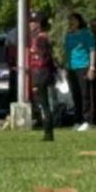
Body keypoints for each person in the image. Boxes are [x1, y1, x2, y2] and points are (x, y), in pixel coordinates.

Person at [64, 13, 96, 131]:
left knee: (85, 94)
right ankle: (77, 120)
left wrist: (92, 67)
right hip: (71, 67)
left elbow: (92, 50)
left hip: (83, 66)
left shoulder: (86, 34)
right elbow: (66, 52)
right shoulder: (68, 35)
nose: (71, 22)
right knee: (75, 95)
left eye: (73, 20)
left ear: (79, 21)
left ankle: (87, 120)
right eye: (70, 20)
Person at [29, 12, 57, 142]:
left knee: (44, 104)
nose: (31, 24)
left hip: (41, 74)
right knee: (44, 104)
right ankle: (48, 131)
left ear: (39, 24)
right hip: (43, 73)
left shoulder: (41, 39)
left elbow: (42, 59)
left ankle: (48, 132)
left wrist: (36, 78)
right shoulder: (42, 38)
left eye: (33, 22)